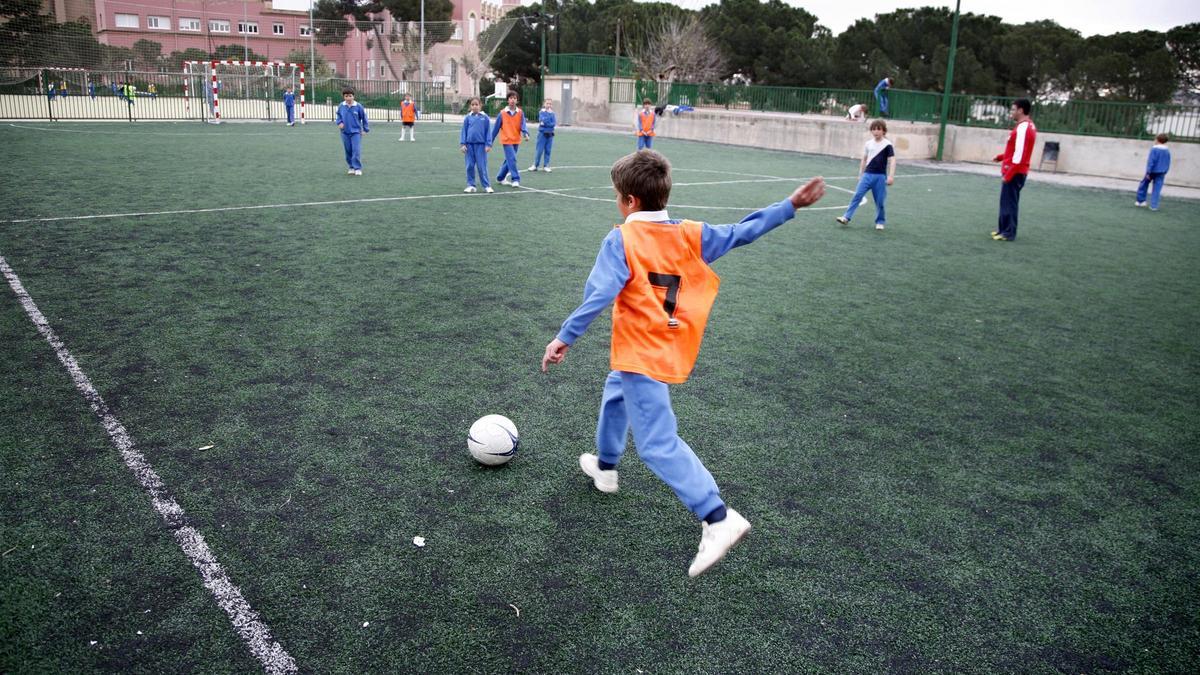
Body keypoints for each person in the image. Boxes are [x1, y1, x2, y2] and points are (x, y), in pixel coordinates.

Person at [540, 149, 827, 578]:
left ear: (630, 201)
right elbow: (741, 232)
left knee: (657, 444)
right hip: (668, 345)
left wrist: (564, 337)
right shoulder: (690, 234)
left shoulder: (621, 238)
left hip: (642, 352)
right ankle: (605, 466)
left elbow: (598, 295)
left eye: (617, 196)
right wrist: (789, 207)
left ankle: (717, 516)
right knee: (615, 394)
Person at [835, 119, 896, 231]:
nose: (875, 131)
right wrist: (860, 174)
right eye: (873, 129)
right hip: (867, 175)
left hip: (880, 177)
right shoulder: (868, 144)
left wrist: (891, 176)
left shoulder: (888, 145)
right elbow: (864, 159)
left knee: (880, 201)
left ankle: (880, 221)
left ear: (884, 131)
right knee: (857, 195)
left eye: (878, 129)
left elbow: (892, 160)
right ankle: (846, 217)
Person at [991, 98, 1037, 242]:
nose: (1011, 112)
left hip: (1015, 172)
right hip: (1014, 169)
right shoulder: (1024, 126)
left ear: (1020, 110)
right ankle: (1003, 230)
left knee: (1009, 202)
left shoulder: (1024, 127)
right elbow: (1016, 151)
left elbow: (1020, 155)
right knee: (1006, 202)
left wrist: (1009, 174)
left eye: (1013, 109)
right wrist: (1001, 157)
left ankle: (1008, 233)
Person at [491, 91, 529, 188]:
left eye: (514, 98)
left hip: (516, 139)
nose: (512, 100)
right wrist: (489, 141)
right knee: (512, 159)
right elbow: (495, 129)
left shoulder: (520, 112)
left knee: (509, 160)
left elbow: (523, 124)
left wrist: (525, 133)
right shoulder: (502, 113)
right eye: (511, 98)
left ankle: (500, 177)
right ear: (508, 100)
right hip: (506, 140)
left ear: (517, 100)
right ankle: (515, 179)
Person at [460, 97, 494, 193]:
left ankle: (486, 186)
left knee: (481, 166)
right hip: (469, 146)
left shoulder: (485, 117)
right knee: (469, 166)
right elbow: (464, 131)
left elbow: (488, 132)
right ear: (470, 106)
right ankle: (471, 185)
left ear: (480, 105)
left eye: (476, 104)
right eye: (472, 105)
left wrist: (488, 144)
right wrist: (463, 144)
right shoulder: (467, 118)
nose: (474, 106)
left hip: (481, 146)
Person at [335, 88, 369, 176]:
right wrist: (339, 122)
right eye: (346, 96)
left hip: (356, 132)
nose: (348, 98)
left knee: (356, 150)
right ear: (343, 97)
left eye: (350, 96)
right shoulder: (341, 106)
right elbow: (338, 116)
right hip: (344, 133)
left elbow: (364, 118)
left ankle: (357, 168)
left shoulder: (358, 106)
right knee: (348, 150)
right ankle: (351, 167)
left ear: (353, 96)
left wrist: (365, 129)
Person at [1135, 133, 1171, 211]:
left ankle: (1141, 201)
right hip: (1162, 172)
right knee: (1157, 189)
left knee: (1143, 184)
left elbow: (1151, 161)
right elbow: (1168, 162)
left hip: (1152, 171)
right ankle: (1154, 206)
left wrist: (1148, 172)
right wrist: (1165, 170)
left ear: (1157, 140)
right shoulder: (1167, 150)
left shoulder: (1154, 149)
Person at [529, 98, 556, 172]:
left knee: (548, 150)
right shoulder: (541, 112)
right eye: (547, 103)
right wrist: (547, 123)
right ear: (544, 104)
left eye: (550, 104)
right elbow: (542, 120)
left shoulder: (553, 113)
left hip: (550, 134)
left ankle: (546, 166)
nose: (549, 105)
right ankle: (535, 165)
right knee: (539, 150)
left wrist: (547, 123)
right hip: (542, 134)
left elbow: (553, 123)